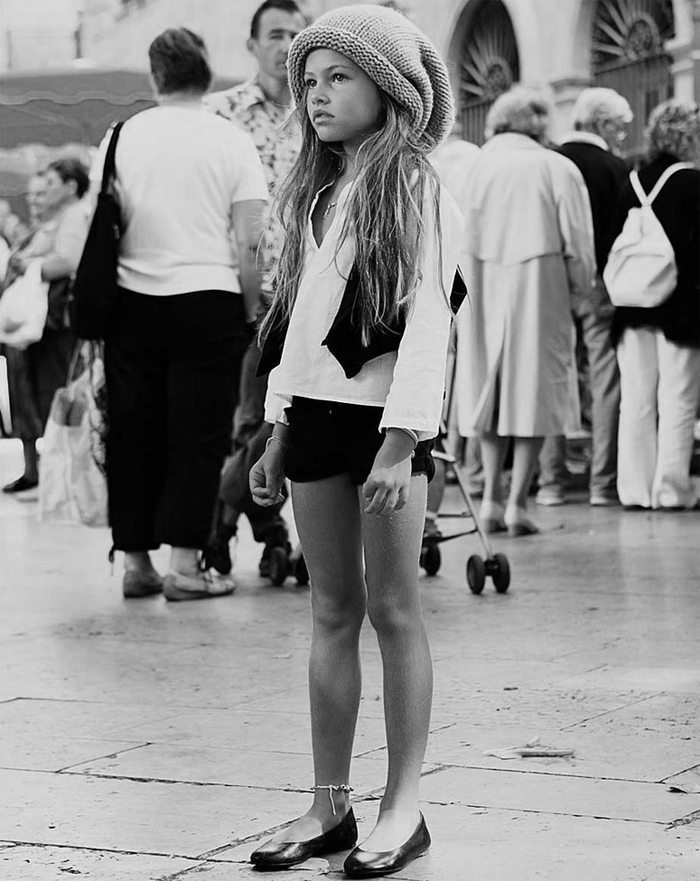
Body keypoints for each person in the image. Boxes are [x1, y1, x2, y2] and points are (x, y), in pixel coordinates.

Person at [247, 5, 463, 876]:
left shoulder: (416, 185)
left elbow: (431, 321)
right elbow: (296, 322)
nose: (317, 94)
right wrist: (277, 425)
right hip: (313, 418)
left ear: (391, 88)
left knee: (394, 608)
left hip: (384, 426)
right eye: (309, 81)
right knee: (330, 609)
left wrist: (402, 441)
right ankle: (328, 803)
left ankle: (402, 807)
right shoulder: (318, 190)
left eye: (339, 77)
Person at [100, 28, 268, 600]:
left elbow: (103, 223)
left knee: (132, 432)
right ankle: (185, 566)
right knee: (198, 436)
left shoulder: (120, 136)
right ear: (206, 74)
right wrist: (247, 308)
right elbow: (251, 241)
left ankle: (137, 564)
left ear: (156, 77)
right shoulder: (230, 139)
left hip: (131, 305)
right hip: (209, 303)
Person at [455, 87, 595, 536]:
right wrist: (582, 290)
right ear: (540, 124)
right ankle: (517, 503)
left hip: (478, 283)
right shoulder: (557, 167)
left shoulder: (473, 167)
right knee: (534, 387)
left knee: (487, 388)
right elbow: (579, 242)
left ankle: (490, 499)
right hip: (540, 282)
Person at [203, 0, 306, 578]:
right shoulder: (220, 113)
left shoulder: (319, 111)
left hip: (306, 293)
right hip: (242, 289)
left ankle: (221, 520)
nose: (286, 44)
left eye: (295, 34)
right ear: (252, 45)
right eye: (275, 34)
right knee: (250, 419)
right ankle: (270, 538)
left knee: (277, 419)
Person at [536, 87, 631, 508]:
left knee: (553, 378)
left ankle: (551, 483)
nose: (622, 137)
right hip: (601, 285)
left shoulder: (547, 162)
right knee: (605, 380)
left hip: (552, 286)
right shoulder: (616, 168)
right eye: (620, 128)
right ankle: (602, 483)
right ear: (603, 124)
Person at [609, 100, 700, 510]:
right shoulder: (693, 183)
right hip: (681, 310)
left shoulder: (633, 182)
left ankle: (635, 489)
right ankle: (670, 490)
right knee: (678, 399)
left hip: (632, 307)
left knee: (636, 400)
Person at [1, 159, 90, 494]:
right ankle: (38, 472)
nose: (39, 197)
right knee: (30, 397)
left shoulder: (74, 216)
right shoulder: (53, 223)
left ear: (70, 186)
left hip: (53, 327)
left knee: (54, 395)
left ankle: (59, 476)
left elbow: (67, 261)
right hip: (38, 328)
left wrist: (29, 265)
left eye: (49, 186)